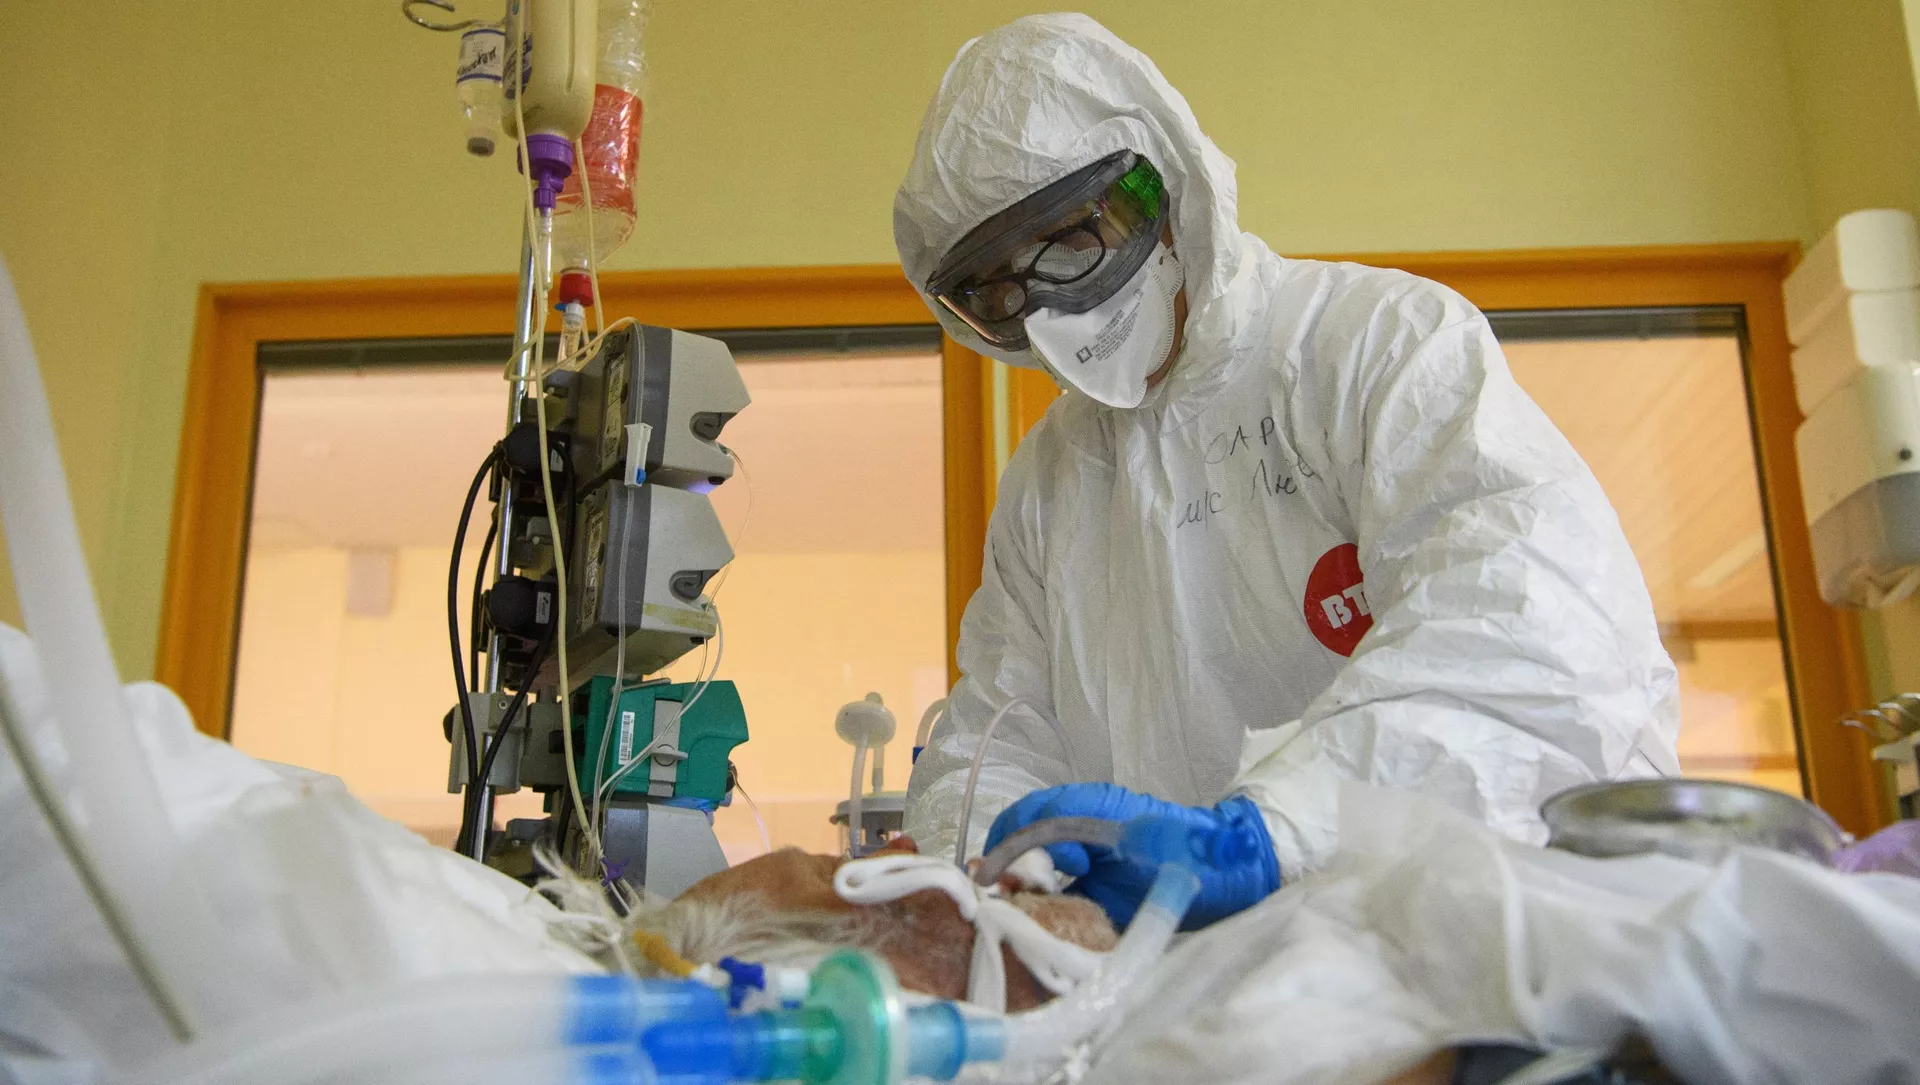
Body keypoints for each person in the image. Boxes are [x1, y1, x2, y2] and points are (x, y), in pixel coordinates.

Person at [894, 14, 1679, 929]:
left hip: (1483, 944)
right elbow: (998, 731)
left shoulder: (1378, 346)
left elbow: (1530, 635)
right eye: (998, 290)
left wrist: (1276, 833)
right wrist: (988, 880)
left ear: (1164, 182)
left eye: (1073, 241)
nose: (1051, 311)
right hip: (1205, 974)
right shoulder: (1051, 481)